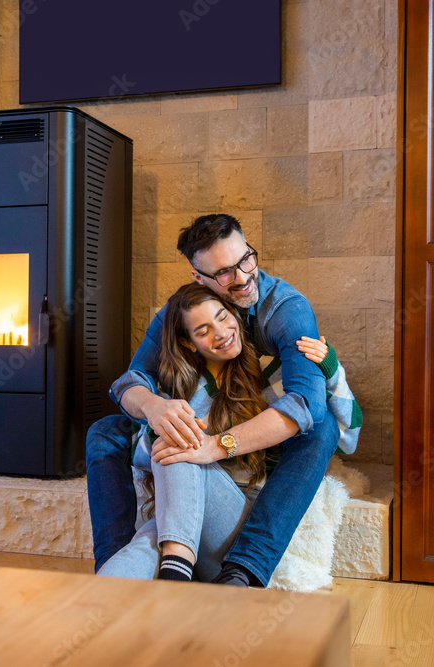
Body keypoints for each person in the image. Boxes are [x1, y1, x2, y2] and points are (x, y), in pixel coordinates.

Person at [86, 213, 355, 588]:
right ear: (200, 279)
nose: (244, 277)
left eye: (246, 259)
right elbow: (130, 382)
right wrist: (155, 407)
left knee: (321, 426)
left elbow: (305, 405)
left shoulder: (286, 309)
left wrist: (215, 446)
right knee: (110, 431)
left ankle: (247, 567)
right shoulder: (182, 312)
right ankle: (114, 569)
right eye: (225, 273)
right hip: (201, 451)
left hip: (246, 462)